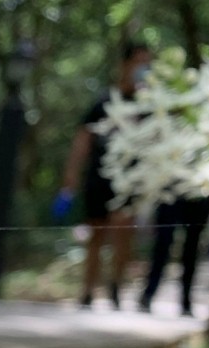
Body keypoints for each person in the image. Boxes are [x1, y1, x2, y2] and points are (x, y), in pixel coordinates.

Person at [55, 41, 153, 309]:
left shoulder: (148, 106)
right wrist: (70, 177)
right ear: (125, 64)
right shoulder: (103, 102)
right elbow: (82, 141)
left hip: (131, 180)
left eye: (148, 62)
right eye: (139, 62)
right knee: (97, 235)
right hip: (99, 178)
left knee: (124, 233)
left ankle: (115, 291)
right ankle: (87, 292)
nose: (144, 68)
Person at [139, 195, 209, 316]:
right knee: (162, 246)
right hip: (172, 193)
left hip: (198, 197)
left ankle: (186, 301)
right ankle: (148, 294)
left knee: (191, 250)